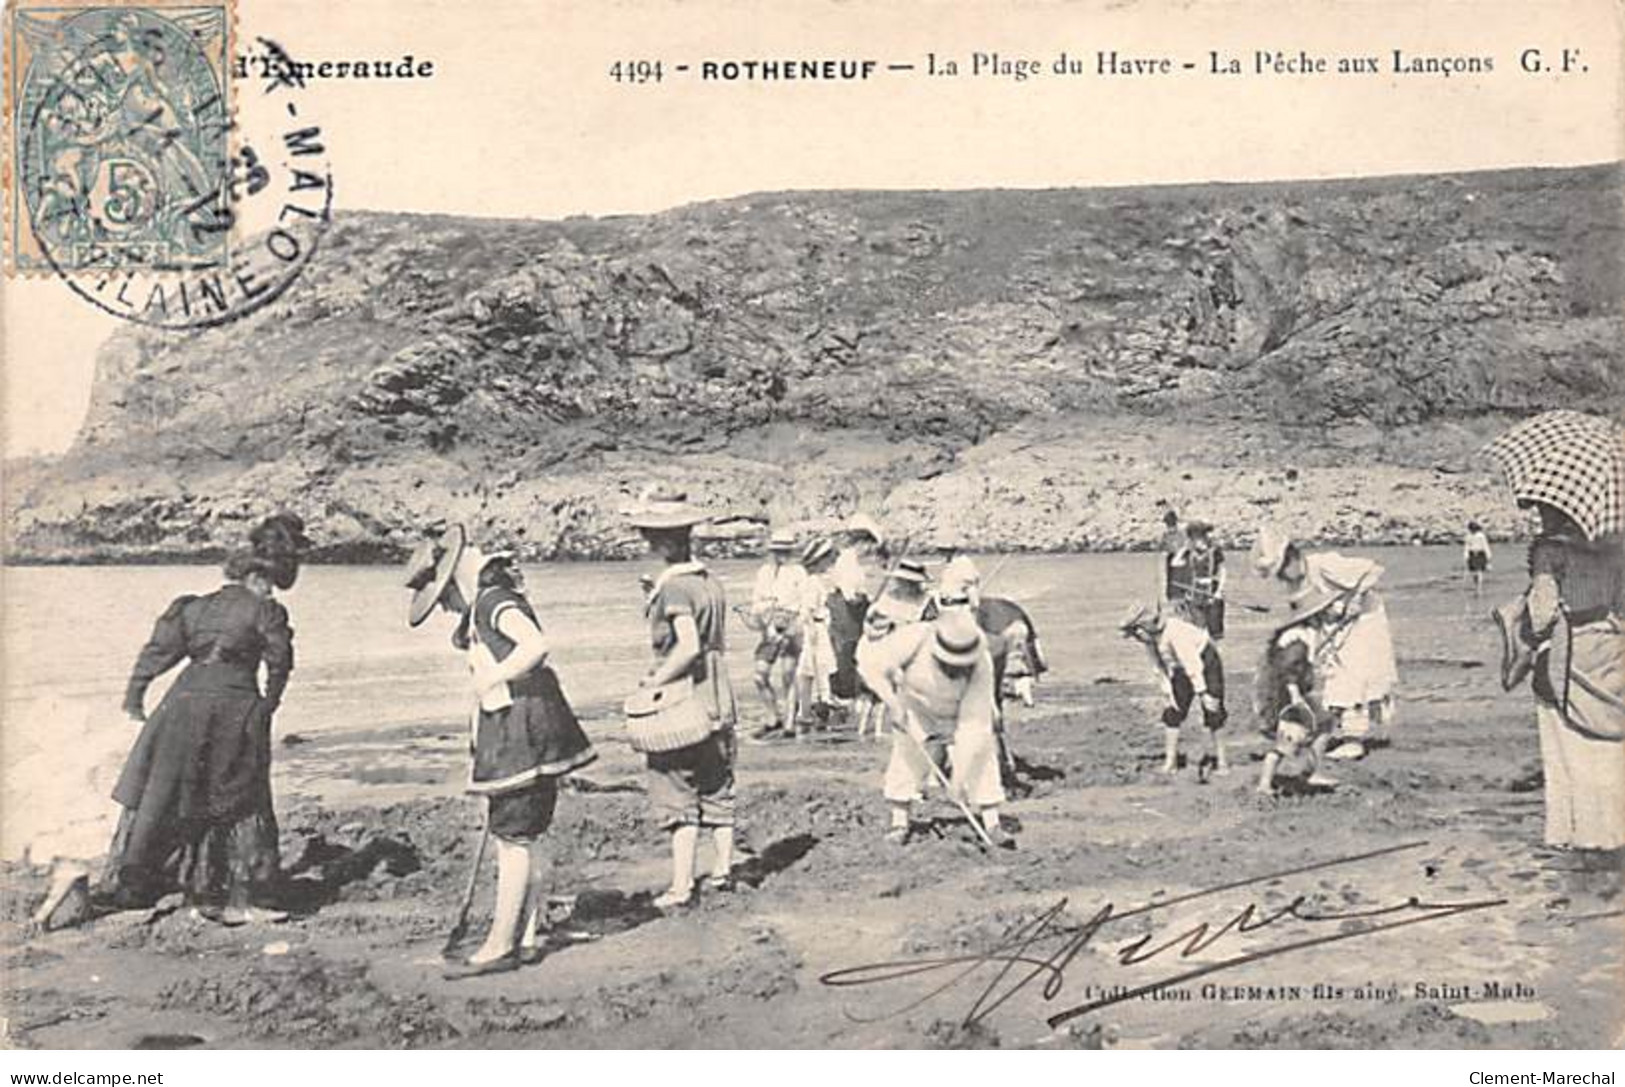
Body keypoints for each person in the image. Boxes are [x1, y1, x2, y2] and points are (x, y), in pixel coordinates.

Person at [405, 526, 596, 978]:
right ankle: (528, 934)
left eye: (443, 597)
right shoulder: (483, 606)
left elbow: (536, 646)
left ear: (455, 579)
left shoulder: (491, 602)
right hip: (520, 726)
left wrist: (492, 680)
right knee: (527, 834)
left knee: (514, 839)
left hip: (522, 729)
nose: (445, 608)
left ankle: (499, 945)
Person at [98, 514, 310, 922]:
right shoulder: (266, 611)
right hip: (233, 705)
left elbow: (156, 654)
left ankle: (140, 880)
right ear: (260, 578)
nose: (268, 588)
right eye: (267, 582)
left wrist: (135, 696)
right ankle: (241, 891)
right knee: (239, 794)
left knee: (163, 790)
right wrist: (268, 705)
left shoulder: (194, 607)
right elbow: (280, 663)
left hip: (181, 701)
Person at [1493, 502, 1624, 855]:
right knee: (1608, 743)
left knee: (1564, 745)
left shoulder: (1550, 550)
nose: (1539, 513)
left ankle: (1572, 831)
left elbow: (1541, 616)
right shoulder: (1617, 543)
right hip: (1610, 650)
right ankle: (1611, 831)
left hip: (1566, 653)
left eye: (1542, 508)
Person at [629, 493, 740, 907]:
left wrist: (654, 680)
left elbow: (688, 645)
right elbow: (704, 636)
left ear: (658, 541)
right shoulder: (708, 580)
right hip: (718, 689)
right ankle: (723, 870)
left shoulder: (674, 587)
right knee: (717, 782)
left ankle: (681, 885)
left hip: (685, 696)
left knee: (676, 785)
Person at [859, 609, 1011, 847]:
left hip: (959, 709)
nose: (955, 669)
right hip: (915, 704)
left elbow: (974, 728)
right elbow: (871, 668)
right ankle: (900, 822)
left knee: (982, 754)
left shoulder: (982, 665)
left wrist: (957, 781)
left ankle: (992, 823)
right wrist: (893, 702)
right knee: (907, 754)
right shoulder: (912, 639)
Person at [1252, 526, 1399, 761]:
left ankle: (1354, 741)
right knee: (1335, 673)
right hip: (1335, 625)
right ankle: (1345, 732)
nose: (1280, 578)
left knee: (1354, 674)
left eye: (1281, 571)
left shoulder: (1324, 564)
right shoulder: (1296, 584)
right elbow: (1305, 613)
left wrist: (1355, 599)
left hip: (1364, 620)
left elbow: (1370, 571)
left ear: (1293, 558)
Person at [1119, 602, 1229, 778]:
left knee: (1213, 709)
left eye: (1136, 632)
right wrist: (1168, 693)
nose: (1136, 638)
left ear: (1146, 625)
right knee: (1172, 712)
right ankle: (1170, 763)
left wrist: (1203, 694)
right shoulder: (1149, 639)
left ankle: (1222, 762)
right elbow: (1158, 667)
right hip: (1180, 668)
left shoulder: (1175, 633)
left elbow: (1193, 664)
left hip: (1205, 661)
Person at [1254, 593, 1341, 795]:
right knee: (1288, 739)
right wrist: (1294, 694)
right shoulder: (1297, 639)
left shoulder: (1304, 634)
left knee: (1324, 723)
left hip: (1292, 691)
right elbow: (1289, 668)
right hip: (1286, 695)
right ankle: (1265, 784)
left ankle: (1312, 771)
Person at [854, 559, 933, 739]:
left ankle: (914, 726)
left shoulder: (926, 601)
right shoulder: (886, 599)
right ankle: (869, 728)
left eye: (911, 583)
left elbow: (931, 626)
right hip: (882, 648)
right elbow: (870, 627)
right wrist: (890, 626)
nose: (907, 586)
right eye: (905, 582)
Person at [746, 530, 806, 741]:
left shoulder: (799, 572)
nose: (781, 555)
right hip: (769, 626)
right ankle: (773, 718)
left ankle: (789, 724)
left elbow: (803, 604)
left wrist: (790, 629)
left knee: (789, 675)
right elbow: (756, 602)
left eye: (785, 551)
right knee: (759, 675)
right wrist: (766, 623)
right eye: (777, 551)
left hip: (792, 627)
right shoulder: (764, 572)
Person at [792, 538, 841, 735]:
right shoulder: (813, 583)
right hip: (815, 629)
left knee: (813, 669)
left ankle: (808, 709)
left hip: (817, 628)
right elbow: (808, 611)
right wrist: (812, 635)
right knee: (815, 668)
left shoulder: (815, 581)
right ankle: (812, 709)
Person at [1176, 520, 1227, 639]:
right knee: (1198, 631)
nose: (1194, 541)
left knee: (1215, 634)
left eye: (1196, 537)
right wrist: (1184, 548)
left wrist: (1220, 591)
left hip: (1212, 592)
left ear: (1202, 536)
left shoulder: (1215, 551)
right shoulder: (1190, 553)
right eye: (1192, 538)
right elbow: (1176, 563)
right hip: (1194, 594)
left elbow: (1223, 571)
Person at [1158, 509, 1184, 602]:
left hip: (1180, 560)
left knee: (1180, 580)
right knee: (1170, 581)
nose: (1169, 526)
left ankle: (1180, 598)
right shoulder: (1166, 535)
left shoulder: (1181, 534)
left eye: (1170, 524)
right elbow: (1161, 547)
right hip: (1170, 559)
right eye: (1168, 524)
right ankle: (1171, 598)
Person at [1464, 521, 1493, 597]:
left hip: (1480, 554)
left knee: (1479, 571)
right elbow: (1467, 546)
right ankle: (1476, 585)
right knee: (1474, 572)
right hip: (1472, 554)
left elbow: (1485, 546)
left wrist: (1489, 557)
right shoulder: (1468, 536)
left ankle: (1479, 587)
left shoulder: (1481, 536)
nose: (1472, 530)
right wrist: (1466, 555)